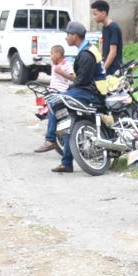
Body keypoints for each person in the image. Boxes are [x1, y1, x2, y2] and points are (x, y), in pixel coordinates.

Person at [52, 22, 101, 174]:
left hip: (92, 93)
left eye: (67, 35)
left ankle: (50, 138)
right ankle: (66, 162)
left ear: (75, 36)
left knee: (56, 101)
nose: (66, 38)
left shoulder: (86, 53)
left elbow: (83, 80)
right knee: (69, 123)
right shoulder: (86, 50)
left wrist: (69, 89)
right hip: (88, 90)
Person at [35, 42, 70, 153]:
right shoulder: (54, 64)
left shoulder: (66, 65)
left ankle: (50, 139)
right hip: (52, 93)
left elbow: (73, 77)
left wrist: (62, 72)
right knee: (44, 106)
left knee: (52, 109)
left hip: (61, 93)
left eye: (52, 54)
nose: (51, 56)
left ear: (58, 54)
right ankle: (53, 134)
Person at [89, 0, 123, 75]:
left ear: (103, 13)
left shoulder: (113, 27)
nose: (93, 17)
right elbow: (102, 48)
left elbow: (113, 52)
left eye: (95, 14)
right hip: (107, 67)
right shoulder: (104, 27)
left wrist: (103, 69)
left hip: (114, 69)